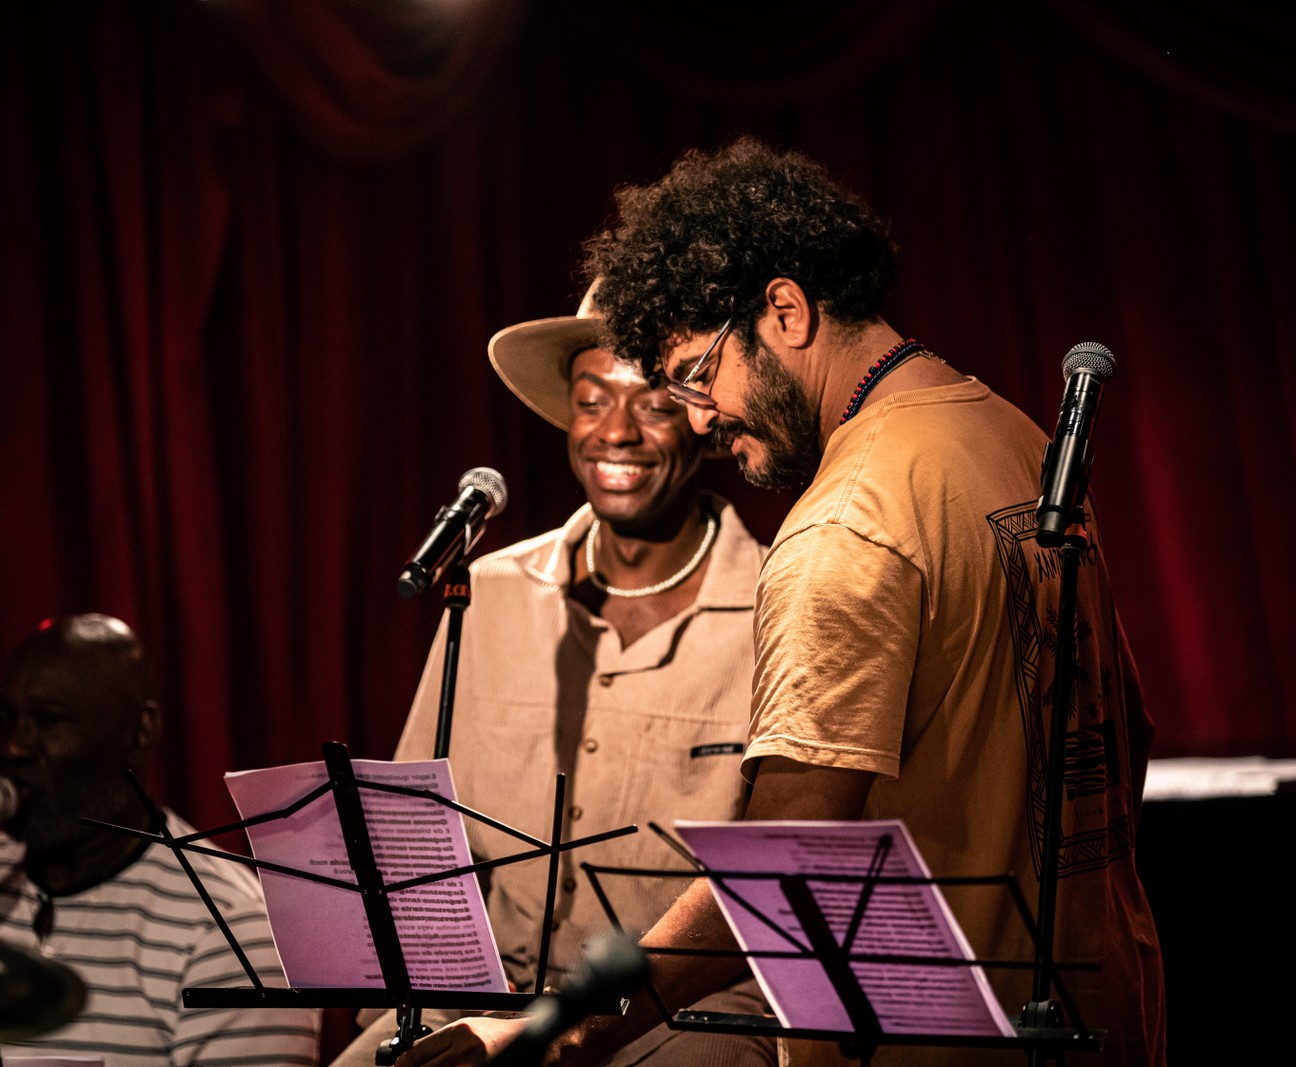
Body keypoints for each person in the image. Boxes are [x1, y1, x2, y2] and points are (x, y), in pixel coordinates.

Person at [398, 140, 1165, 1067]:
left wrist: (563, 1027)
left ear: (786, 311)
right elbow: (1126, 732)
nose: (697, 418)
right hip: (1104, 1012)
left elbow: (774, 865)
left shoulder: (844, 524)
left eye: (692, 372)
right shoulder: (1011, 435)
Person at [331, 289, 774, 1066]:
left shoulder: (777, 605)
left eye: (651, 403)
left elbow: (774, 891)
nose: (615, 432)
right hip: (481, 996)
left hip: (678, 1016)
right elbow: (414, 836)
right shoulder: (490, 590)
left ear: (704, 425)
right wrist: (403, 1012)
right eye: (591, 400)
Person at [0, 614, 320, 1067]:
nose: (12, 748)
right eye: (3, 720)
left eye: (49, 721)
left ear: (139, 733)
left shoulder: (233, 929)